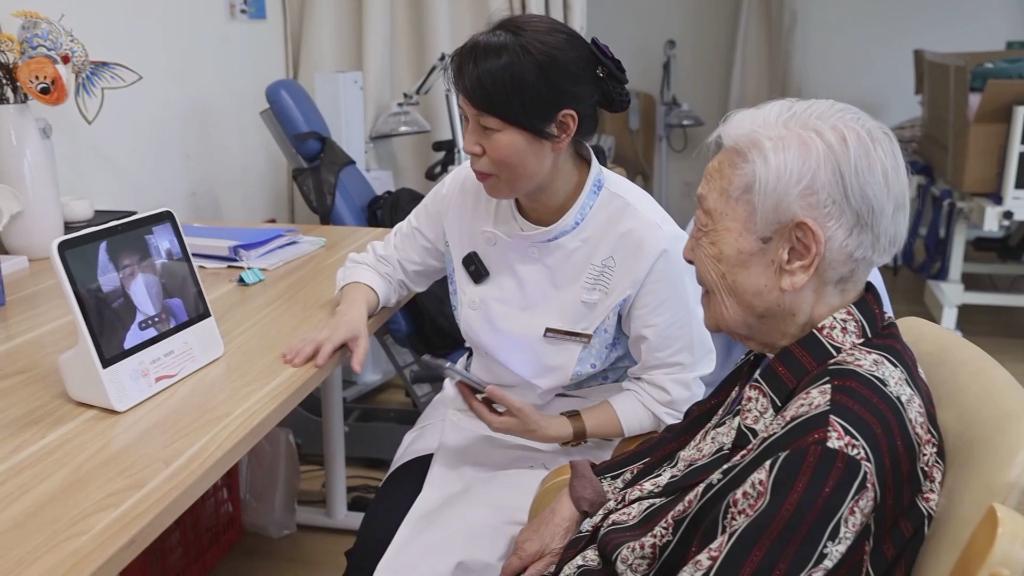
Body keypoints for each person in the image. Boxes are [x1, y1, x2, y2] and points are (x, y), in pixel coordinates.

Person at [282, 14, 716, 576]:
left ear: (561, 129)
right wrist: (352, 310)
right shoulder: (465, 193)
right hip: (474, 423)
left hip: (587, 443)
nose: (471, 146)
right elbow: (386, 263)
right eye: (465, 119)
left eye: (488, 127)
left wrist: (559, 428)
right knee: (376, 562)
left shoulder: (645, 238)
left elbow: (673, 392)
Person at [503, 99, 945, 576]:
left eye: (707, 224)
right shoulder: (797, 349)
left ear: (796, 254)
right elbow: (687, 454)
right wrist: (581, 497)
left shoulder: (825, 452)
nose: (689, 251)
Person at [106, 235, 187, 350]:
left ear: (155, 268)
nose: (141, 279)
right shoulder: (132, 342)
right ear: (124, 285)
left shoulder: (177, 304)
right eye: (129, 273)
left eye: (144, 264)